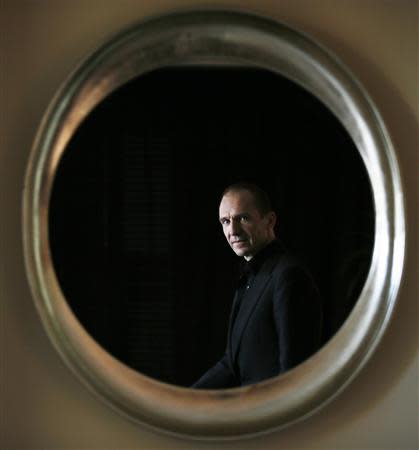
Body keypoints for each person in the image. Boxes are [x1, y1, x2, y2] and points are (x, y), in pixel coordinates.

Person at [192, 182, 323, 389]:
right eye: (225, 221)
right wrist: (186, 399)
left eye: (242, 218)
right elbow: (231, 363)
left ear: (269, 221)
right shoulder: (251, 276)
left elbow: (293, 372)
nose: (233, 230)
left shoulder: (289, 276)